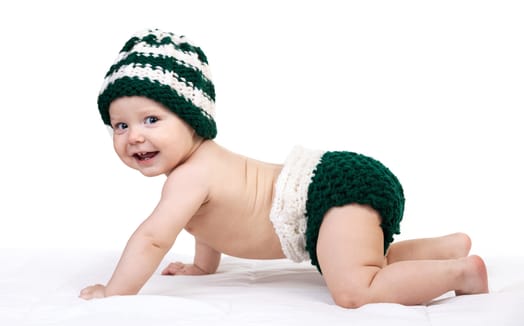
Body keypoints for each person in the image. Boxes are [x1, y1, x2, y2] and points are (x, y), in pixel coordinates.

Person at [80, 29, 489, 308]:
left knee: (353, 289)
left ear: (193, 120)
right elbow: (208, 222)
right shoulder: (198, 172)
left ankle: (460, 274)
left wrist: (114, 292)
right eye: (120, 125)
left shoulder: (190, 176)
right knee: (364, 258)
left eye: (151, 120)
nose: (133, 136)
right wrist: (204, 266)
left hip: (330, 192)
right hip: (335, 186)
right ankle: (445, 248)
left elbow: (153, 238)